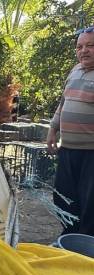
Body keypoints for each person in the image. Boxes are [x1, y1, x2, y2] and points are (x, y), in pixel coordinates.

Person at [47, 27, 94, 236]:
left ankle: (85, 246)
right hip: (67, 150)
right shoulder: (74, 70)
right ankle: (69, 235)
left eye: (91, 46)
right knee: (63, 197)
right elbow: (63, 102)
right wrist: (52, 129)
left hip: (91, 153)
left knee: (90, 203)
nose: (84, 51)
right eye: (80, 47)